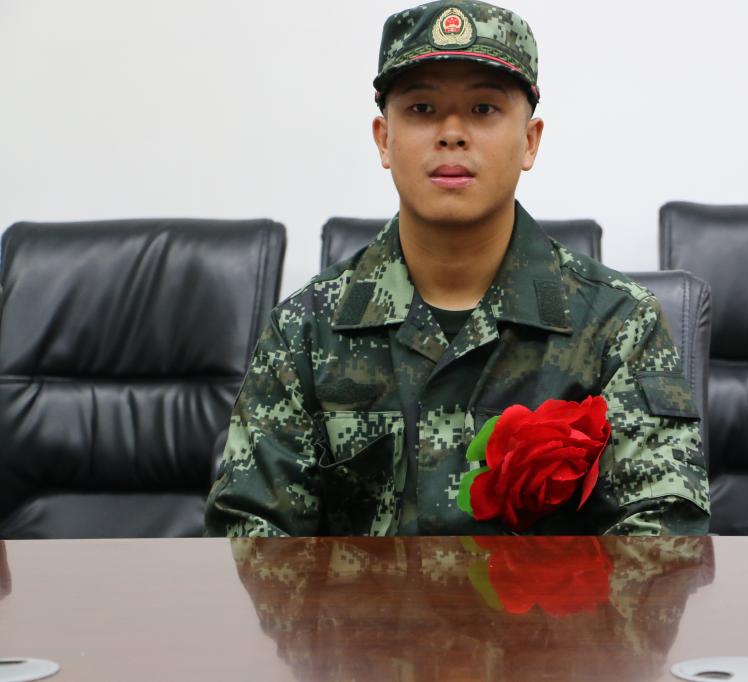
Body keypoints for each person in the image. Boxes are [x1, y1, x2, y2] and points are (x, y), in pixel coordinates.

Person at [205, 0, 709, 537]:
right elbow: (251, 539)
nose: (451, 133)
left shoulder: (617, 325)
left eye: (483, 109)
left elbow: (662, 542)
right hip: (361, 601)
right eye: (422, 109)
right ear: (384, 139)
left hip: (551, 601)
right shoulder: (306, 330)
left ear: (530, 141)